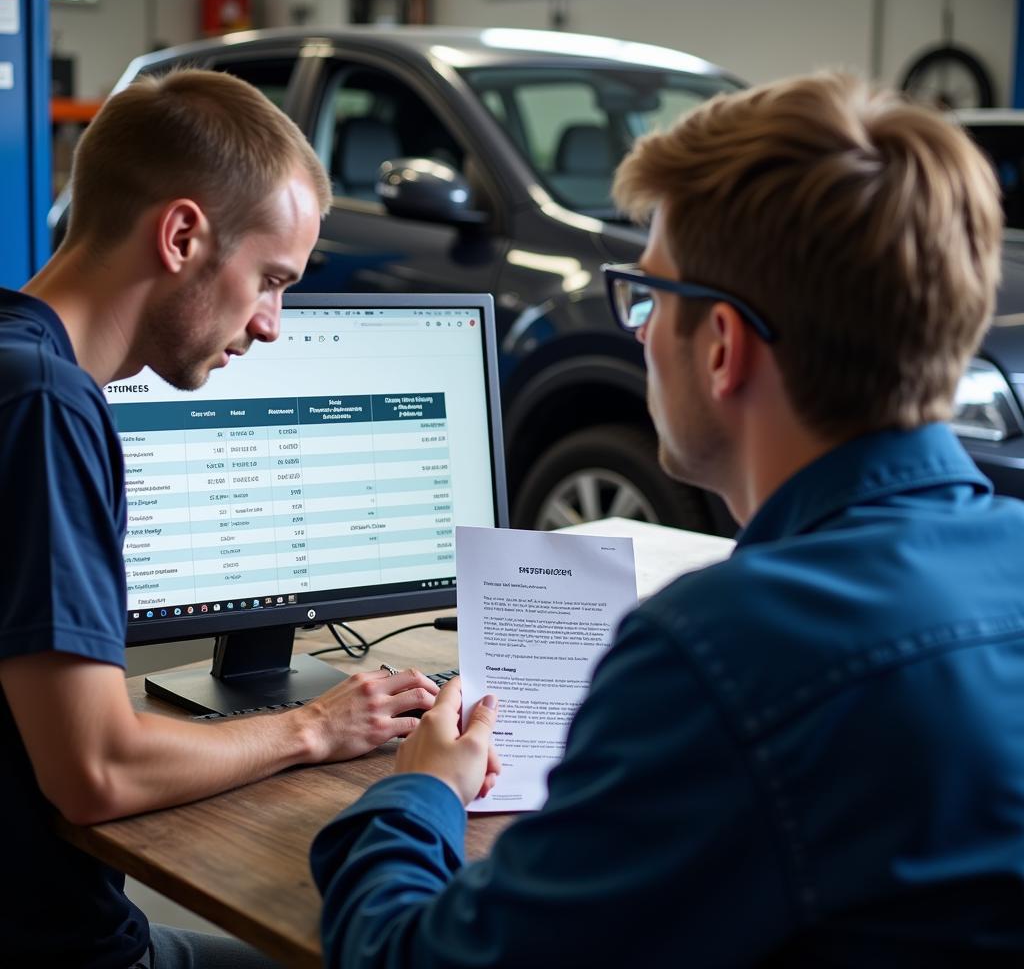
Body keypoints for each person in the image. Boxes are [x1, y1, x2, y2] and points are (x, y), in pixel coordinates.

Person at [308, 71, 1024, 965]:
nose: (639, 333)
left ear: (721, 346)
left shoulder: (723, 653)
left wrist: (418, 798)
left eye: (648, 297)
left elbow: (412, 958)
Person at [0, 70, 439, 969]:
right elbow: (95, 772)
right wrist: (314, 728)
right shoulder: (44, 405)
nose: (273, 324)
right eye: (272, 280)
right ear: (183, 234)